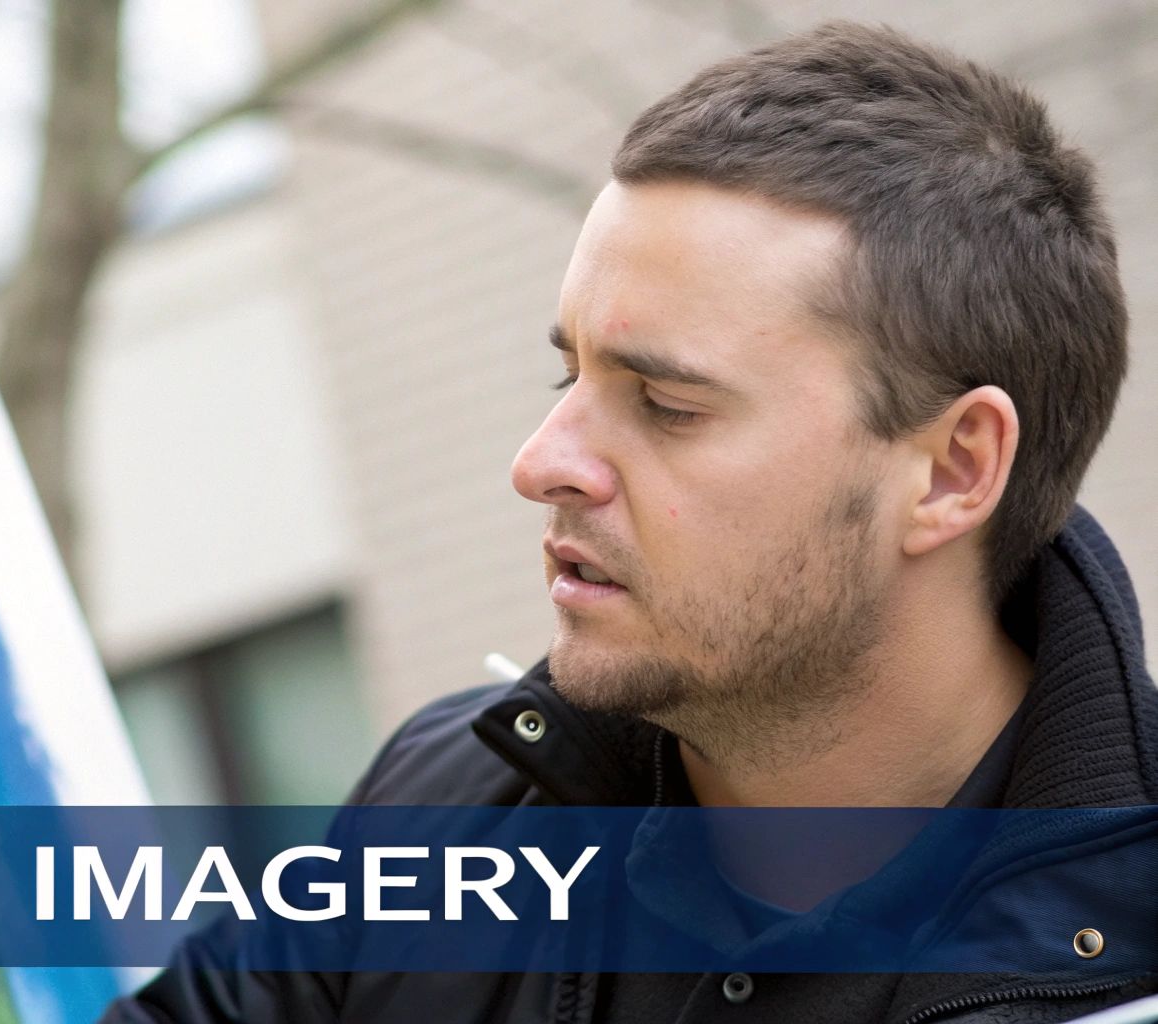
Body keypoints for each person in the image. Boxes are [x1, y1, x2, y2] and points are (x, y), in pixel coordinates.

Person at [103, 20, 1158, 1023]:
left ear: (949, 469)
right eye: (567, 374)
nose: (540, 463)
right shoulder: (441, 823)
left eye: (666, 406)